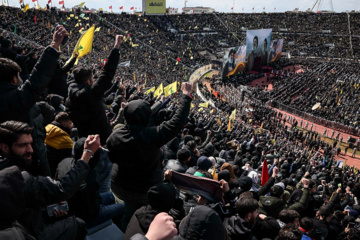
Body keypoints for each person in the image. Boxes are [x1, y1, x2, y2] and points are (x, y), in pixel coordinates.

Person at [107, 82, 193, 231]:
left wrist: (161, 101)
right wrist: (185, 96)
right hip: (141, 190)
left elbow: (113, 158)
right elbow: (176, 123)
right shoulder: (152, 136)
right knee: (131, 216)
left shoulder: (115, 137)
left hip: (118, 184)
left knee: (127, 209)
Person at [0, 120, 101, 239]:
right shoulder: (14, 177)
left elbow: (23, 205)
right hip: (27, 234)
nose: (30, 150)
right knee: (77, 224)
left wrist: (47, 210)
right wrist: (88, 153)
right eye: (22, 145)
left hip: (27, 223)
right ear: (5, 147)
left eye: (30, 144)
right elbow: (62, 189)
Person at [0, 25, 69, 177]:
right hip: (29, 164)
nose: (21, 80)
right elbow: (36, 82)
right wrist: (53, 46)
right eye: (19, 76)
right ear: (13, 79)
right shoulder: (15, 100)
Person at [66, 34, 123, 193]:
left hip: (85, 142)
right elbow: (107, 73)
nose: (94, 79)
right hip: (100, 144)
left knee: (89, 176)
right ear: (87, 82)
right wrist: (116, 47)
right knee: (103, 183)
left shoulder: (70, 95)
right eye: (92, 78)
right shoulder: (90, 95)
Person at [45, 111, 74, 177]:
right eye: (70, 123)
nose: (72, 126)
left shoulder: (47, 129)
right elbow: (66, 164)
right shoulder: (66, 141)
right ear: (63, 124)